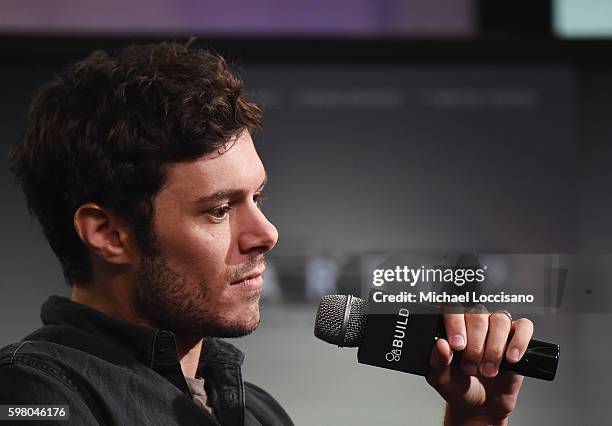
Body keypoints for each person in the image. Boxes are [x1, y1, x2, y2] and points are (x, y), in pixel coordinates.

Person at [1, 41, 534, 425]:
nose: (266, 233)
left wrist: (474, 423)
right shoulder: (35, 393)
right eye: (217, 210)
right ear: (108, 234)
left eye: (257, 198)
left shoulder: (256, 411)